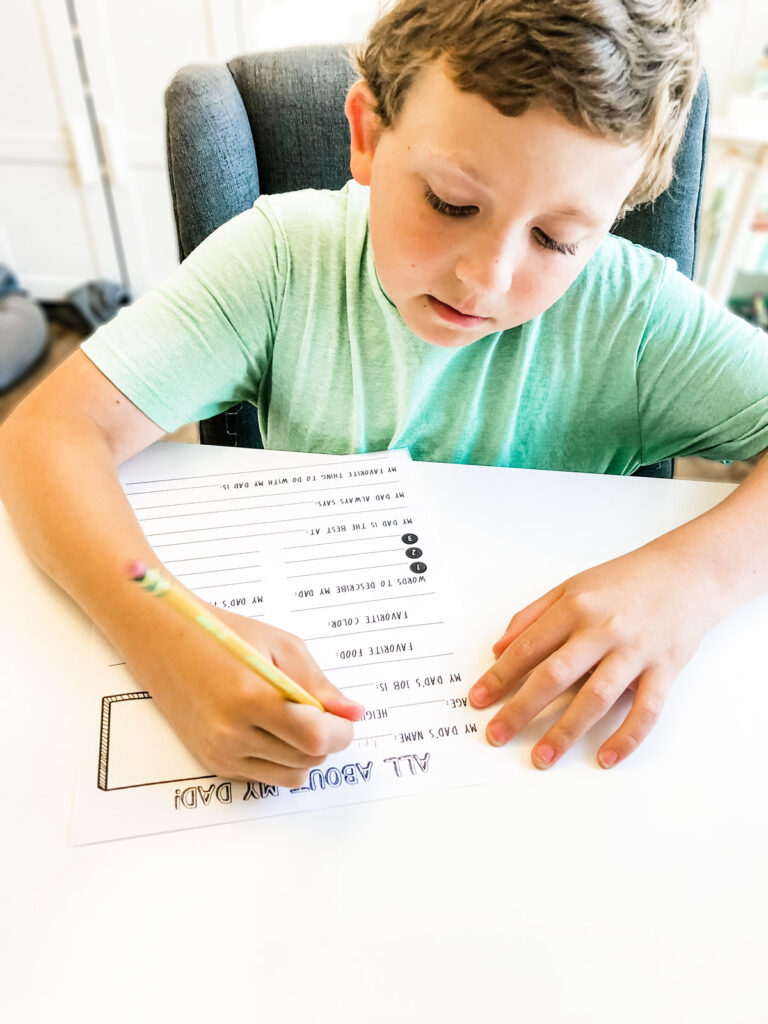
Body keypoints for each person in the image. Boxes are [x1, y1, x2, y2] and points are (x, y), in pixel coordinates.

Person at [2, 0, 767, 783]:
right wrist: (160, 629)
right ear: (367, 133)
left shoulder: (629, 317)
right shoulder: (281, 262)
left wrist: (692, 581)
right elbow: (46, 436)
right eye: (451, 204)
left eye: (557, 239)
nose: (487, 277)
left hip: (546, 755)